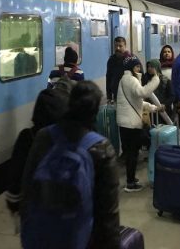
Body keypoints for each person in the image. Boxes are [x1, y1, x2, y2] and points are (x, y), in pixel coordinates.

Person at [20, 81, 120, 249]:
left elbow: (27, 189)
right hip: (79, 239)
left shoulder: (44, 136)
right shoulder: (101, 147)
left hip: (41, 237)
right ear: (95, 111)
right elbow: (108, 215)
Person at [6, 78, 72, 217]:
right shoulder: (70, 137)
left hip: (34, 211)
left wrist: (14, 204)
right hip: (64, 212)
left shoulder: (27, 137)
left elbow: (15, 174)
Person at [116, 56, 161, 192]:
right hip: (130, 123)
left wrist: (153, 108)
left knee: (131, 152)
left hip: (125, 121)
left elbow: (137, 101)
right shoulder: (130, 80)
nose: (139, 69)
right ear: (131, 67)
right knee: (132, 153)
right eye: (136, 66)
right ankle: (130, 183)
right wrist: (155, 79)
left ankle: (131, 178)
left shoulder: (125, 80)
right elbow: (142, 93)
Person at [105, 36, 128, 102]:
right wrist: (109, 96)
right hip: (116, 95)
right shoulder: (111, 60)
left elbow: (140, 76)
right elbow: (108, 78)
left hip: (129, 95)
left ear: (125, 46)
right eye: (116, 46)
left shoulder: (131, 59)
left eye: (120, 46)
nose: (117, 48)